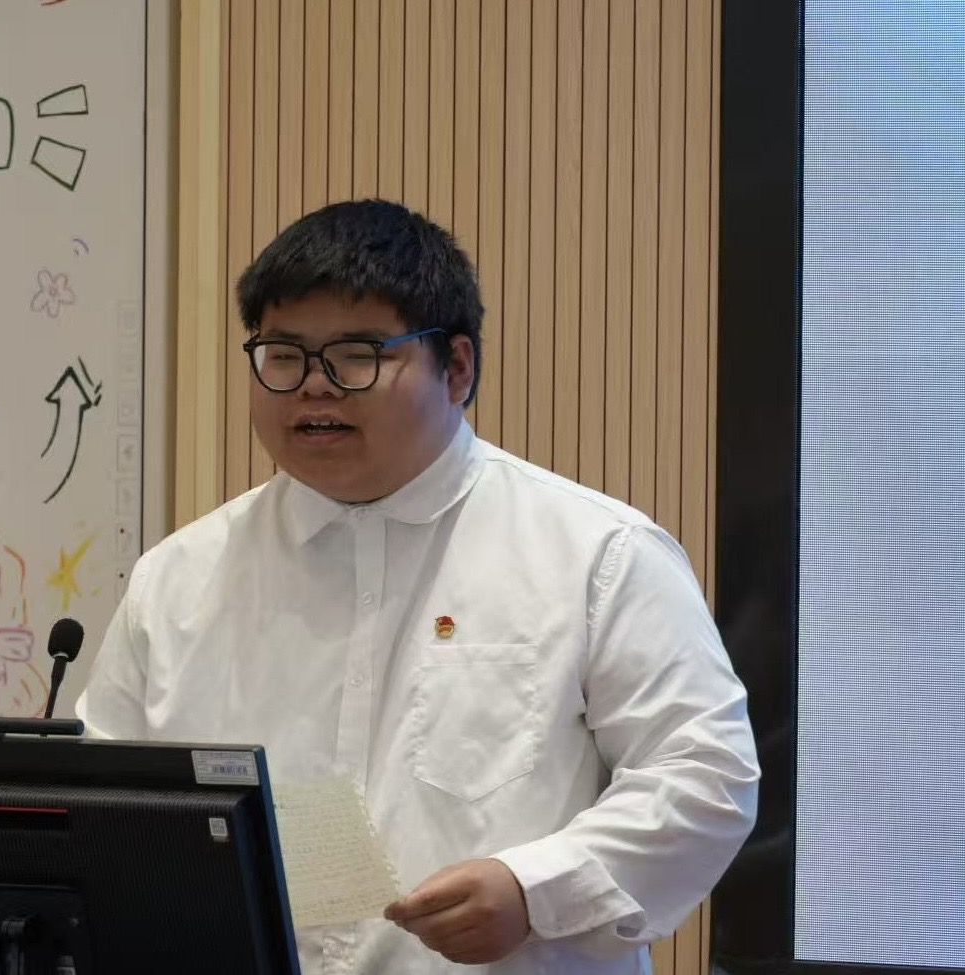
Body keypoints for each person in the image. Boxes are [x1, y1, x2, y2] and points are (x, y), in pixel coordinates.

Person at [75, 198, 760, 974]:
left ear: (456, 367)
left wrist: (533, 888)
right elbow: (101, 805)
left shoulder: (598, 554)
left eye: (357, 354)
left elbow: (704, 778)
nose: (314, 387)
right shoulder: (178, 576)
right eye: (284, 354)